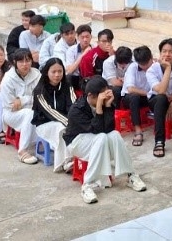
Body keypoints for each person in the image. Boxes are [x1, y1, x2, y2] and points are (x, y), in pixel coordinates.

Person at [62, 76, 147, 204]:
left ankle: (131, 175)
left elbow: (108, 128)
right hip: (77, 142)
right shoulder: (76, 110)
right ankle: (87, 185)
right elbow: (96, 130)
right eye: (101, 97)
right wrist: (100, 108)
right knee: (101, 137)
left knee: (115, 134)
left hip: (97, 139)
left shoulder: (106, 102)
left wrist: (107, 106)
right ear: (90, 96)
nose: (105, 99)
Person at [31, 58, 77, 173]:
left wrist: (76, 120)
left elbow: (73, 105)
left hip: (65, 121)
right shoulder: (39, 91)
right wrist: (69, 122)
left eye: (60, 71)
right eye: (53, 72)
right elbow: (50, 112)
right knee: (61, 128)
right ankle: (65, 162)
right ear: (47, 72)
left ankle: (73, 159)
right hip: (44, 123)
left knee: (72, 127)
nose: (57, 75)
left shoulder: (67, 85)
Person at [0, 49, 42, 164]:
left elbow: (41, 97)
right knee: (29, 113)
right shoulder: (8, 79)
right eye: (21, 61)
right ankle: (22, 150)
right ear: (14, 62)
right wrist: (29, 100)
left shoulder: (36, 74)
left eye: (27, 61)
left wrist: (22, 100)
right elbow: (11, 105)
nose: (25, 64)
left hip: (34, 109)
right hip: (11, 114)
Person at [146, 38, 172, 158]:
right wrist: (168, 69)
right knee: (161, 99)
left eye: (171, 52)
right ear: (160, 53)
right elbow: (161, 91)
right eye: (164, 51)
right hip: (157, 100)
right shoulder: (152, 70)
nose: (167, 54)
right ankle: (159, 141)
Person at [121, 46, 155, 147]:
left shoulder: (155, 66)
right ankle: (138, 130)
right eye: (142, 65)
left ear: (151, 58)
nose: (145, 67)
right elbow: (131, 89)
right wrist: (149, 93)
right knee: (134, 96)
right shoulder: (132, 68)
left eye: (147, 64)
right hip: (129, 98)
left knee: (160, 97)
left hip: (147, 96)